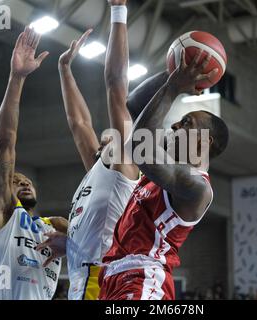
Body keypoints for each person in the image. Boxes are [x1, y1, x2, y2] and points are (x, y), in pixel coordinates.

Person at [36, 0, 168, 300]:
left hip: (105, 281)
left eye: (115, 134)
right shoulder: (97, 170)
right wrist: (64, 69)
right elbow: (78, 122)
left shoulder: (125, 165)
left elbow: (115, 84)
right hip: (82, 282)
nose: (108, 136)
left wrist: (118, 11)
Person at [98, 48, 229, 300]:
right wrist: (176, 71)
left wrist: (173, 88)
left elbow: (140, 148)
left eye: (187, 123)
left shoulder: (197, 188)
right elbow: (135, 104)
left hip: (143, 277)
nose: (175, 125)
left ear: (204, 142)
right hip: (113, 277)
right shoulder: (164, 167)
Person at [0, 27, 65, 300]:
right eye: (16, 181)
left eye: (27, 181)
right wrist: (16, 78)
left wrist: (62, 228)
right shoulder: (5, 214)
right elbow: (6, 140)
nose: (24, 182)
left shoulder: (51, 227)